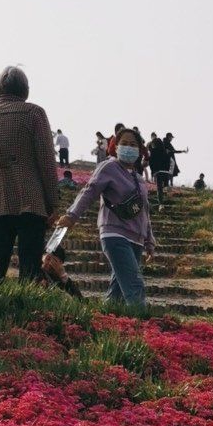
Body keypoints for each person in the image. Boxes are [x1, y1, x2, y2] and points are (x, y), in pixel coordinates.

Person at [0, 65, 58, 282]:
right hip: (30, 200)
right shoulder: (34, 113)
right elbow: (46, 162)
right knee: (30, 270)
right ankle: (27, 313)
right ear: (25, 90)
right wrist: (52, 203)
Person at [56, 127, 154, 308]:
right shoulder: (109, 167)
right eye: (124, 143)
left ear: (139, 150)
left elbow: (144, 211)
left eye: (133, 145)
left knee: (116, 293)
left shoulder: (140, 180)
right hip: (115, 234)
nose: (128, 147)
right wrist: (71, 215)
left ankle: (105, 322)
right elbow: (89, 191)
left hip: (137, 239)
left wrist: (149, 240)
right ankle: (143, 329)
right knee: (135, 285)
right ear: (115, 147)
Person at [148, 133, 172, 208]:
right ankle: (167, 186)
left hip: (158, 172)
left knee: (159, 189)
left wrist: (152, 174)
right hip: (166, 172)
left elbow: (151, 163)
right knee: (164, 185)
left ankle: (161, 204)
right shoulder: (164, 151)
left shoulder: (153, 152)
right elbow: (170, 161)